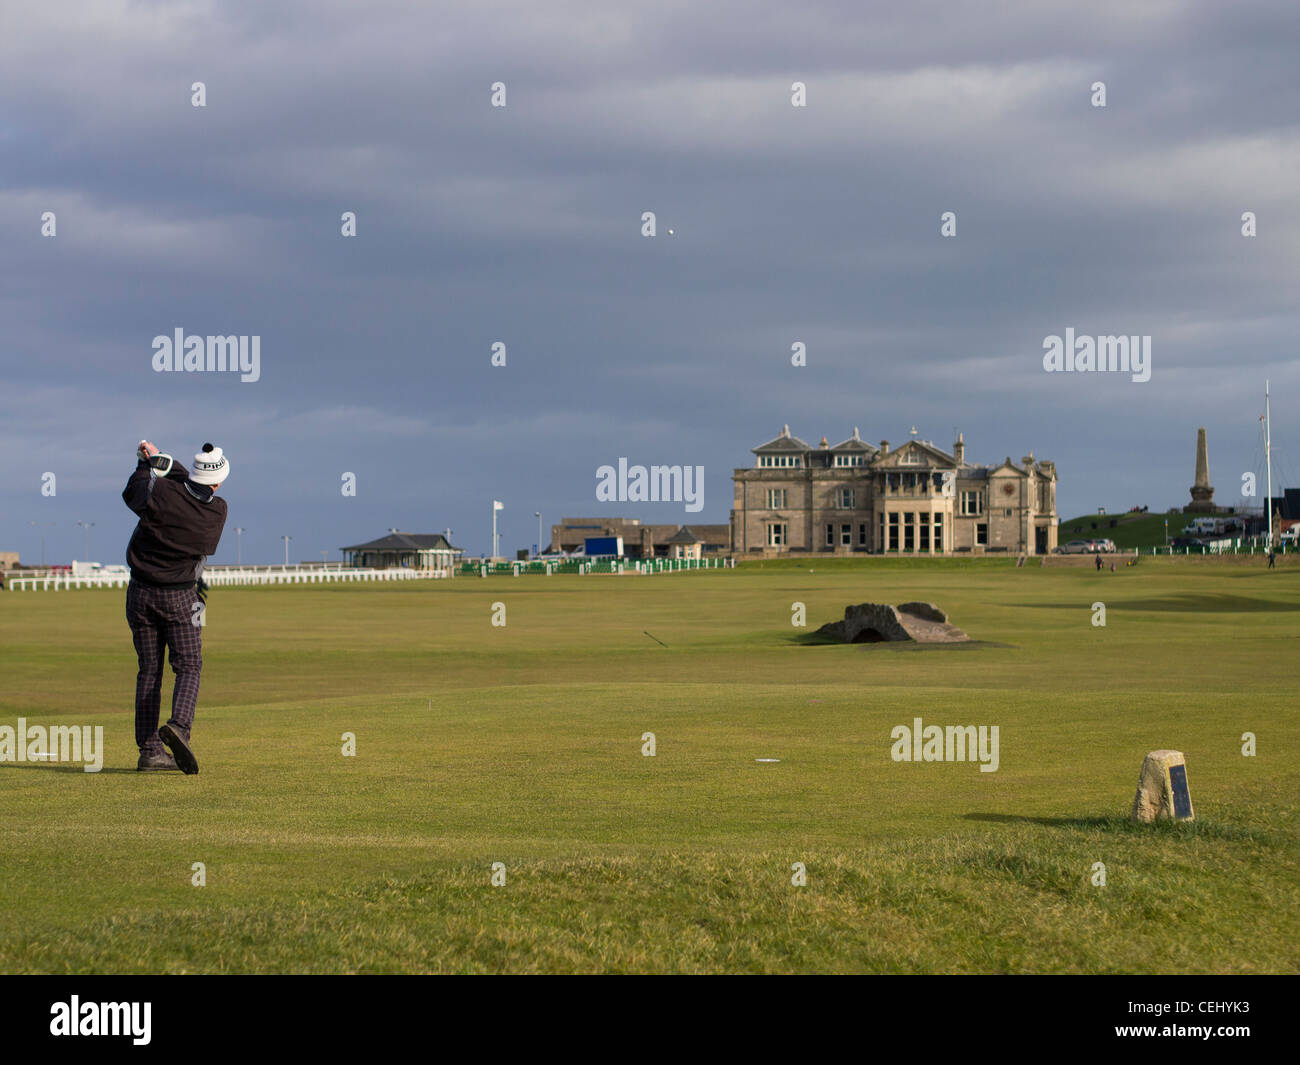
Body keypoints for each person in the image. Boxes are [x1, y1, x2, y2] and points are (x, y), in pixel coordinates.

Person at [122, 441, 229, 773]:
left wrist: (147, 463)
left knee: (149, 672)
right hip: (183, 598)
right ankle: (180, 727)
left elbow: (134, 493)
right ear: (219, 481)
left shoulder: (162, 493)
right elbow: (191, 485)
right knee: (190, 666)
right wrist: (166, 462)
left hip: (139, 593)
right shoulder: (218, 510)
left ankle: (149, 750)